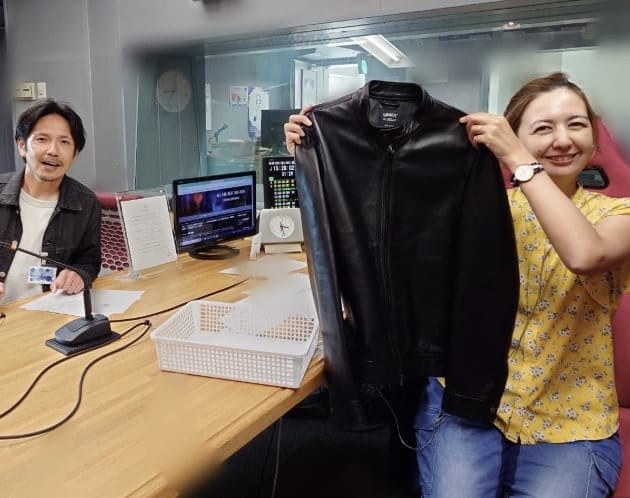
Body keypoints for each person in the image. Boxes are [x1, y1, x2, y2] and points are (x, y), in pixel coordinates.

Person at [285, 72, 630, 497]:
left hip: (569, 422)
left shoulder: (618, 215)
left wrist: (518, 159)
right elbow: (379, 233)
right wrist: (316, 157)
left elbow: (585, 255)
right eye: (543, 128)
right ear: (515, 134)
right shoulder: (476, 202)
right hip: (465, 398)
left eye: (576, 125)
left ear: (594, 138)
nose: (562, 140)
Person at [0, 99, 101, 304]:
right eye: (42, 139)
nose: (53, 151)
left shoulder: (87, 203)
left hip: (50, 311)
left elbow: (89, 262)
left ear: (75, 154)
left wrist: (79, 274)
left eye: (64, 142)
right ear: (22, 146)